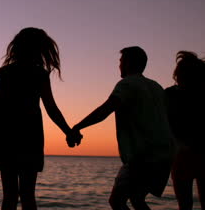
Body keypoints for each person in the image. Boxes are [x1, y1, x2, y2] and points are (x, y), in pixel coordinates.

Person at [0, 27, 81, 210]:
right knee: (28, 194)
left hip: (6, 136)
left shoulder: (4, 73)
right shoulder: (39, 74)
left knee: (9, 195)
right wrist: (68, 131)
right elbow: (51, 108)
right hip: (30, 136)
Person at [71, 46, 172, 210]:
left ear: (129, 63)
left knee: (116, 201)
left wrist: (77, 127)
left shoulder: (127, 84)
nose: (119, 65)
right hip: (164, 155)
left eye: (121, 61)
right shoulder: (156, 87)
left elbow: (106, 109)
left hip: (143, 156)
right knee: (137, 199)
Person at [165, 51, 205, 210]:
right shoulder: (170, 94)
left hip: (183, 154)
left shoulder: (170, 94)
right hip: (191, 154)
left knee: (185, 205)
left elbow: (163, 123)